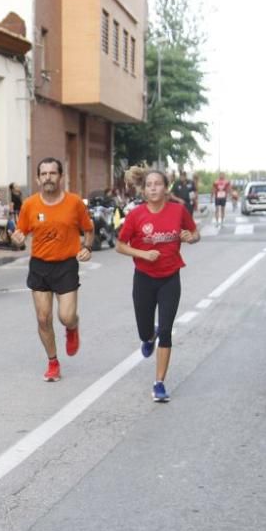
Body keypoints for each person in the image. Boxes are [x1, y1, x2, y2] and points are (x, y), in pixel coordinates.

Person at [115, 170, 200, 402]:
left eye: (158, 184)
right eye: (149, 185)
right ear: (144, 189)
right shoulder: (136, 215)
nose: (153, 188)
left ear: (165, 188)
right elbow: (120, 245)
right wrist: (143, 254)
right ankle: (148, 336)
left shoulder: (177, 211)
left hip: (170, 278)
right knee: (146, 331)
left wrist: (190, 237)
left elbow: (195, 233)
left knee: (166, 330)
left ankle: (159, 383)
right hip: (143, 277)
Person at [10, 157, 93, 382]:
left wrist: (87, 248)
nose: (48, 177)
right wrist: (17, 239)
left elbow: (88, 230)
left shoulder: (75, 203)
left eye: (52, 173)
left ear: (61, 177)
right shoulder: (29, 205)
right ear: (38, 178)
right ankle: (53, 362)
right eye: (44, 173)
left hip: (66, 265)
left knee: (65, 316)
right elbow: (21, 234)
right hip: (40, 266)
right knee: (43, 318)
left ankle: (72, 327)